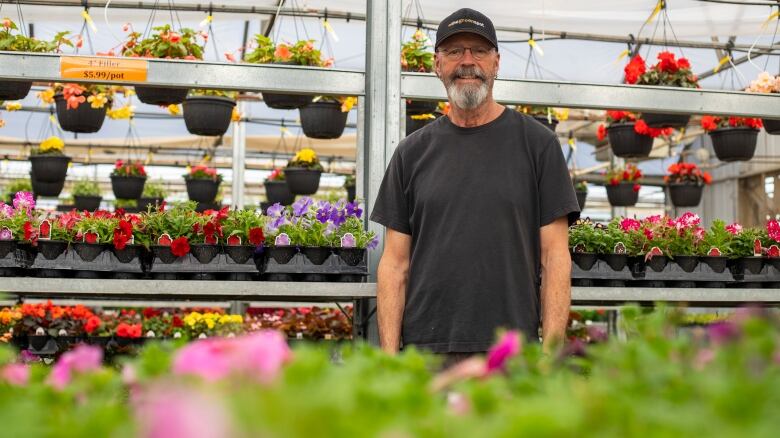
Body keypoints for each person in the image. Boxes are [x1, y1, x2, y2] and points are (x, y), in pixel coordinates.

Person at [370, 8, 580, 363]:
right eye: (454, 52)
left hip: (513, 353)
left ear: (496, 62)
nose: (467, 62)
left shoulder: (537, 145)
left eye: (479, 51)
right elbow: (394, 264)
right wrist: (390, 361)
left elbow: (555, 256)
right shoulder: (411, 153)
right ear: (437, 64)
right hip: (427, 354)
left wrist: (548, 358)